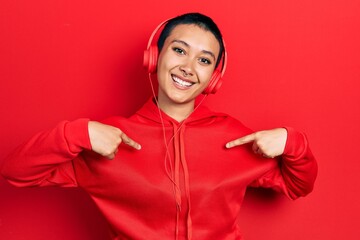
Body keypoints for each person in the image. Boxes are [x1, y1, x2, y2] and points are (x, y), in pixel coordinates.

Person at [0, 12, 317, 240]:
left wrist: (293, 143)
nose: (188, 68)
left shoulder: (235, 138)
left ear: (214, 79)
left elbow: (298, 186)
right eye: (179, 50)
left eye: (204, 61)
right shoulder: (107, 139)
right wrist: (77, 133)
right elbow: (15, 170)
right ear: (154, 57)